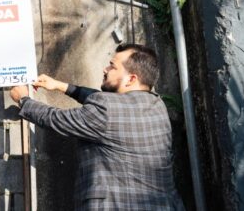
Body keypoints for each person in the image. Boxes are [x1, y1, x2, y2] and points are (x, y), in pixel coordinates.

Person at [11, 44, 184, 210]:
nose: (105, 69)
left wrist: (24, 100)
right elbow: (106, 103)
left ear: (131, 79)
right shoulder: (158, 107)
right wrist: (60, 86)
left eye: (112, 66)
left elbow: (57, 119)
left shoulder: (107, 108)